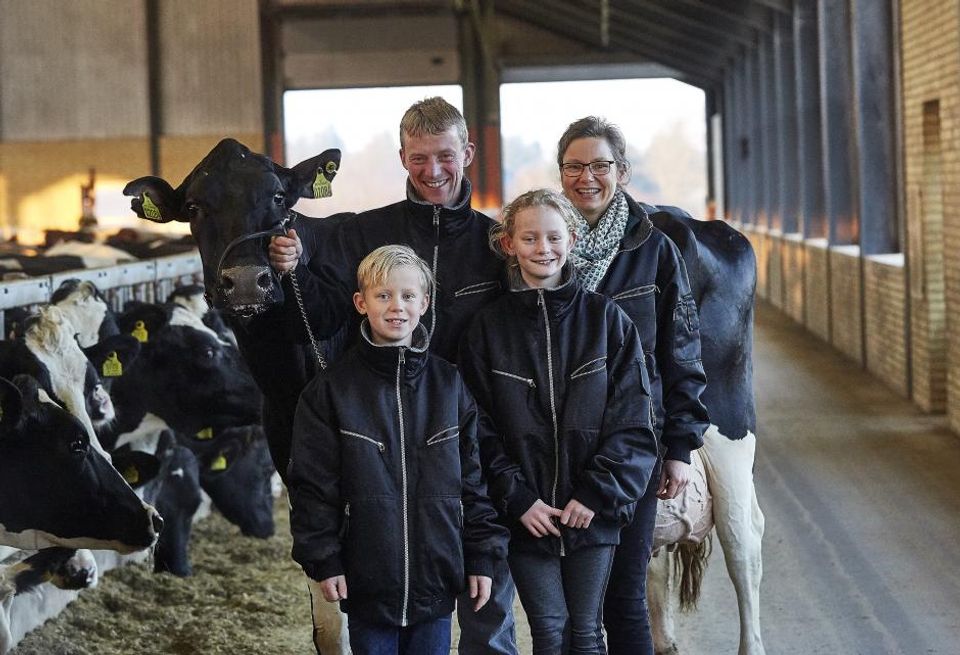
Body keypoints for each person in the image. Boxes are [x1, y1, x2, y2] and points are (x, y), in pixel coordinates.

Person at [270, 97, 519, 655]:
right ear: (402, 157)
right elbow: (323, 302)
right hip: (378, 437)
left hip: (475, 447)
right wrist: (291, 262)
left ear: (468, 154)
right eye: (419, 158)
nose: (433, 171)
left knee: (486, 607)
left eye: (445, 156)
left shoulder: (494, 243)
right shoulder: (367, 232)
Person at [459, 189, 659, 654]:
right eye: (529, 238)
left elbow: (634, 419)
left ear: (571, 239)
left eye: (553, 237)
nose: (543, 248)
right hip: (528, 519)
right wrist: (519, 499)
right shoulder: (487, 330)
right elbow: (476, 431)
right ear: (509, 244)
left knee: (588, 632)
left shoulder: (607, 321)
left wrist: (595, 494)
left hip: (592, 515)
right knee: (548, 634)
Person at [287, 245, 509, 655]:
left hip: (436, 579)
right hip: (367, 577)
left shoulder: (450, 385)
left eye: (408, 296)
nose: (396, 307)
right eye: (383, 295)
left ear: (424, 303)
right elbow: (312, 487)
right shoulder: (331, 391)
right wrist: (324, 559)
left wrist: (481, 555)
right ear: (361, 303)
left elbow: (474, 481)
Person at [556, 116, 710, 655]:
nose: (587, 177)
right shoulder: (544, 246)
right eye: (574, 166)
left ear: (622, 172)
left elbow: (681, 350)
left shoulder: (655, 251)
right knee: (565, 606)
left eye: (599, 165)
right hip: (555, 448)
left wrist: (680, 447)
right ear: (561, 173)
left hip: (633, 447)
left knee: (624, 594)